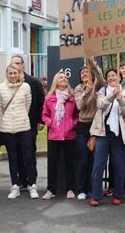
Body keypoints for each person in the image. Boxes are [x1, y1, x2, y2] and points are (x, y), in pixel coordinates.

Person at [90, 68, 125, 206]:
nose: (111, 78)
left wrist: (119, 98)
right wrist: (111, 95)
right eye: (109, 76)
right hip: (103, 133)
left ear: (119, 78)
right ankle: (96, 195)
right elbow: (100, 105)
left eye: (114, 75)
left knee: (119, 165)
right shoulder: (102, 91)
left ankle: (118, 194)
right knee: (98, 165)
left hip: (119, 134)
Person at [0, 63, 38, 199]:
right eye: (10, 73)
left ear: (19, 73)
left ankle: (32, 185)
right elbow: (0, 109)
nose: (13, 76)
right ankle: (15, 185)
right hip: (7, 128)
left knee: (28, 156)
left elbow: (27, 105)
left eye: (15, 73)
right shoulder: (0, 88)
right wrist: (2, 124)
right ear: (6, 74)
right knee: (12, 158)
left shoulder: (26, 87)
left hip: (23, 127)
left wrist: (20, 118)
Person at [41, 71, 79, 200]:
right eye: (60, 77)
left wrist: (72, 124)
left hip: (69, 135)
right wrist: (51, 123)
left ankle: (70, 188)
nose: (63, 79)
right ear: (56, 81)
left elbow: (77, 115)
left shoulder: (72, 97)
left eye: (65, 77)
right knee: (53, 163)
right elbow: (44, 115)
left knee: (70, 163)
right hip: (54, 135)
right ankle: (51, 189)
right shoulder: (49, 98)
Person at [103, 62, 125, 199]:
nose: (124, 70)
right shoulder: (110, 87)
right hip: (112, 126)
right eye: (121, 68)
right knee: (113, 159)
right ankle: (112, 185)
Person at [11, 55, 45, 191]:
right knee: (17, 152)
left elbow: (41, 102)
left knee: (29, 152)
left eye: (18, 63)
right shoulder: (9, 83)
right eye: (13, 64)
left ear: (23, 65)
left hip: (30, 123)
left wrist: (41, 121)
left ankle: (32, 180)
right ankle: (21, 180)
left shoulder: (34, 82)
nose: (16, 66)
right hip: (14, 124)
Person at [74, 58, 105, 200]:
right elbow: (80, 106)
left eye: (87, 72)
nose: (85, 74)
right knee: (83, 159)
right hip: (83, 126)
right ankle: (82, 189)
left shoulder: (97, 86)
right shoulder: (79, 89)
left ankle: (94, 189)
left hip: (96, 126)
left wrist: (94, 64)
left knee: (95, 159)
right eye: (82, 73)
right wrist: (86, 91)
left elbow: (100, 77)